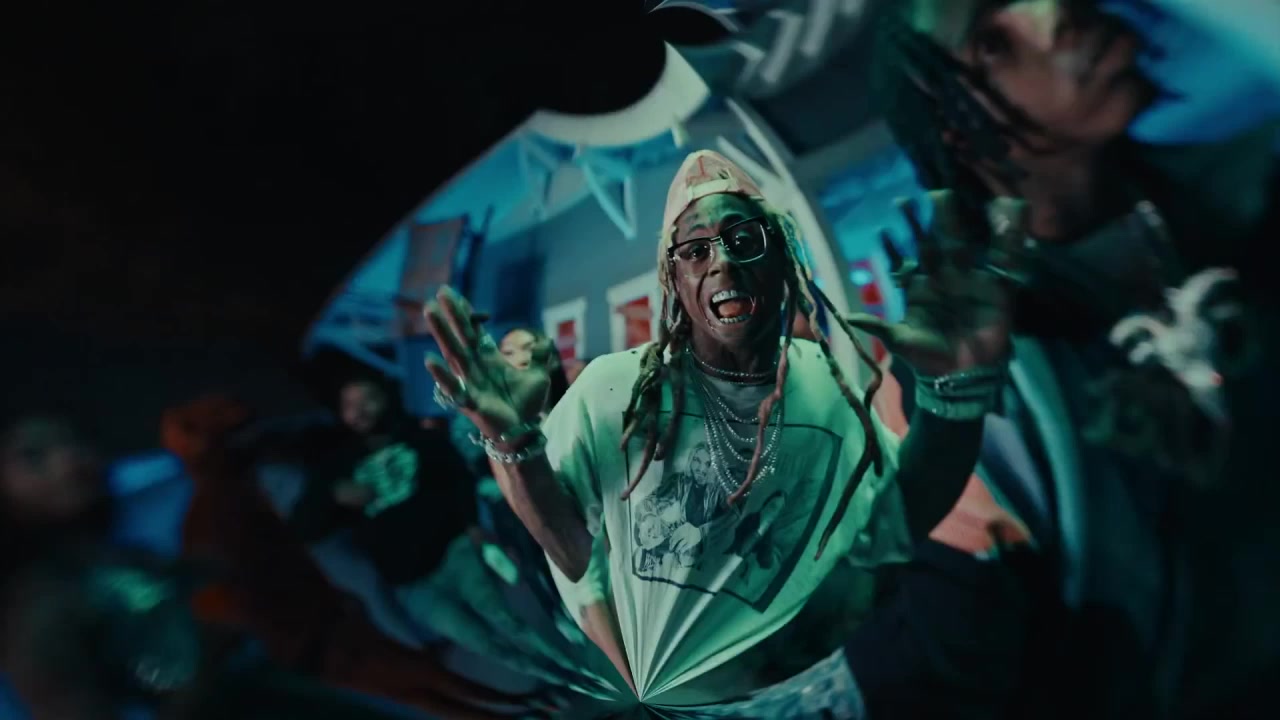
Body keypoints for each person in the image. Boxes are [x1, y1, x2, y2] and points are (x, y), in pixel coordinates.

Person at [423, 149, 1022, 716]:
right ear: (673, 278)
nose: (722, 262)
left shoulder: (823, 377)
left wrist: (953, 392)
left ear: (781, 258)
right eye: (695, 250)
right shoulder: (612, 390)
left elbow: (899, 516)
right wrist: (511, 442)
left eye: (744, 239)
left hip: (848, 681)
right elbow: (573, 550)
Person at [863, 1, 1279, 717]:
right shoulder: (967, 385)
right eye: (992, 43)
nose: (1054, 13)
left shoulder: (1247, 199)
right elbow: (940, 680)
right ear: (958, 128)